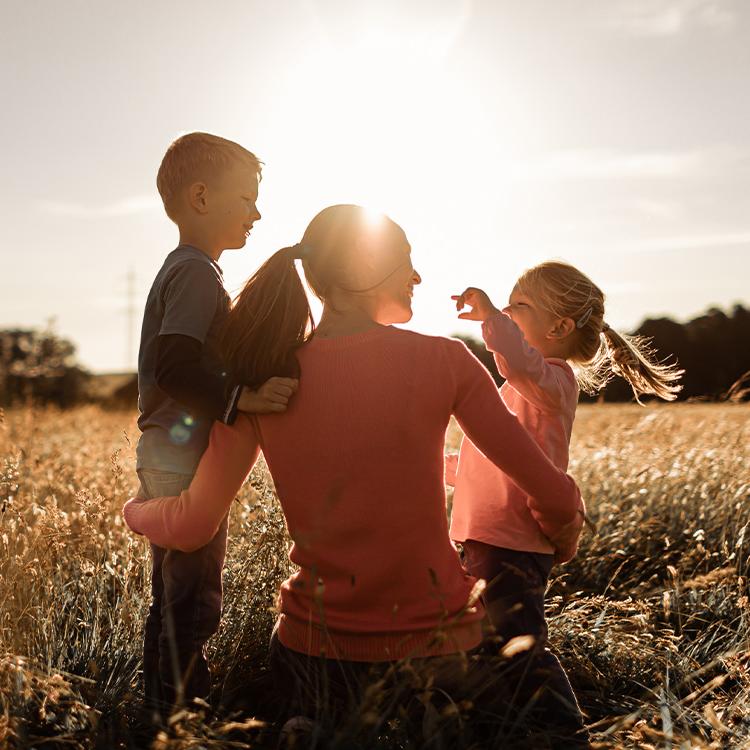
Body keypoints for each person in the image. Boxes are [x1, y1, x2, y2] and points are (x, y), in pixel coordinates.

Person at [124, 206, 584, 739]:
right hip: (441, 649)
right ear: (367, 268)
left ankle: (313, 725)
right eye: (407, 262)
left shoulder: (265, 385)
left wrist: (135, 510)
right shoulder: (448, 361)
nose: (417, 277)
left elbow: (191, 525)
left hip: (313, 648)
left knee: (323, 723)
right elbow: (551, 490)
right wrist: (563, 533)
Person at [447, 262, 683, 735]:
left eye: (520, 306)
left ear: (559, 327)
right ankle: (503, 727)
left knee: (520, 647)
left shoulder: (552, 383)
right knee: (487, 644)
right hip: (486, 538)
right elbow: (484, 462)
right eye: (509, 305)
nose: (509, 313)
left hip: (513, 543)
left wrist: (492, 316)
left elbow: (518, 362)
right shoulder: (520, 389)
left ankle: (563, 732)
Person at [136, 132, 298, 718]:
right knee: (192, 598)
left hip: (168, 453)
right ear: (201, 198)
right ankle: (181, 717)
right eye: (247, 198)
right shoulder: (197, 274)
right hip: (180, 457)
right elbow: (173, 365)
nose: (257, 212)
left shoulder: (185, 268)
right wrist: (243, 397)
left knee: (175, 594)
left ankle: (163, 708)